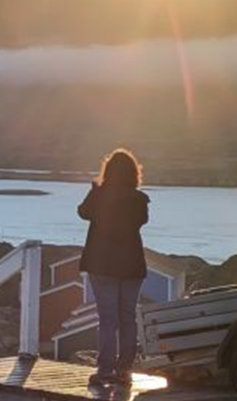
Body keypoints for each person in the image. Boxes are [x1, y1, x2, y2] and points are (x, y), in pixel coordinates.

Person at [78, 148, 149, 389]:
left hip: (102, 264)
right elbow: (141, 221)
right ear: (133, 172)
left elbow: (82, 212)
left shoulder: (99, 195)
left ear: (108, 171)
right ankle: (125, 370)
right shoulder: (138, 199)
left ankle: (105, 370)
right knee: (127, 318)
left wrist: (97, 190)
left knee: (108, 320)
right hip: (132, 266)